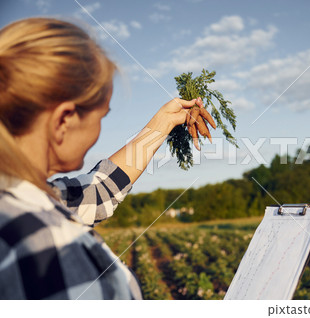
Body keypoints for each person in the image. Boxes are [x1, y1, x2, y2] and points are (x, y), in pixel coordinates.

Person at [0, 17, 205, 299]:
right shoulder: (44, 245)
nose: (100, 129)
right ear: (64, 120)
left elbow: (96, 191)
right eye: (102, 117)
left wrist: (163, 124)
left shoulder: (23, 200)